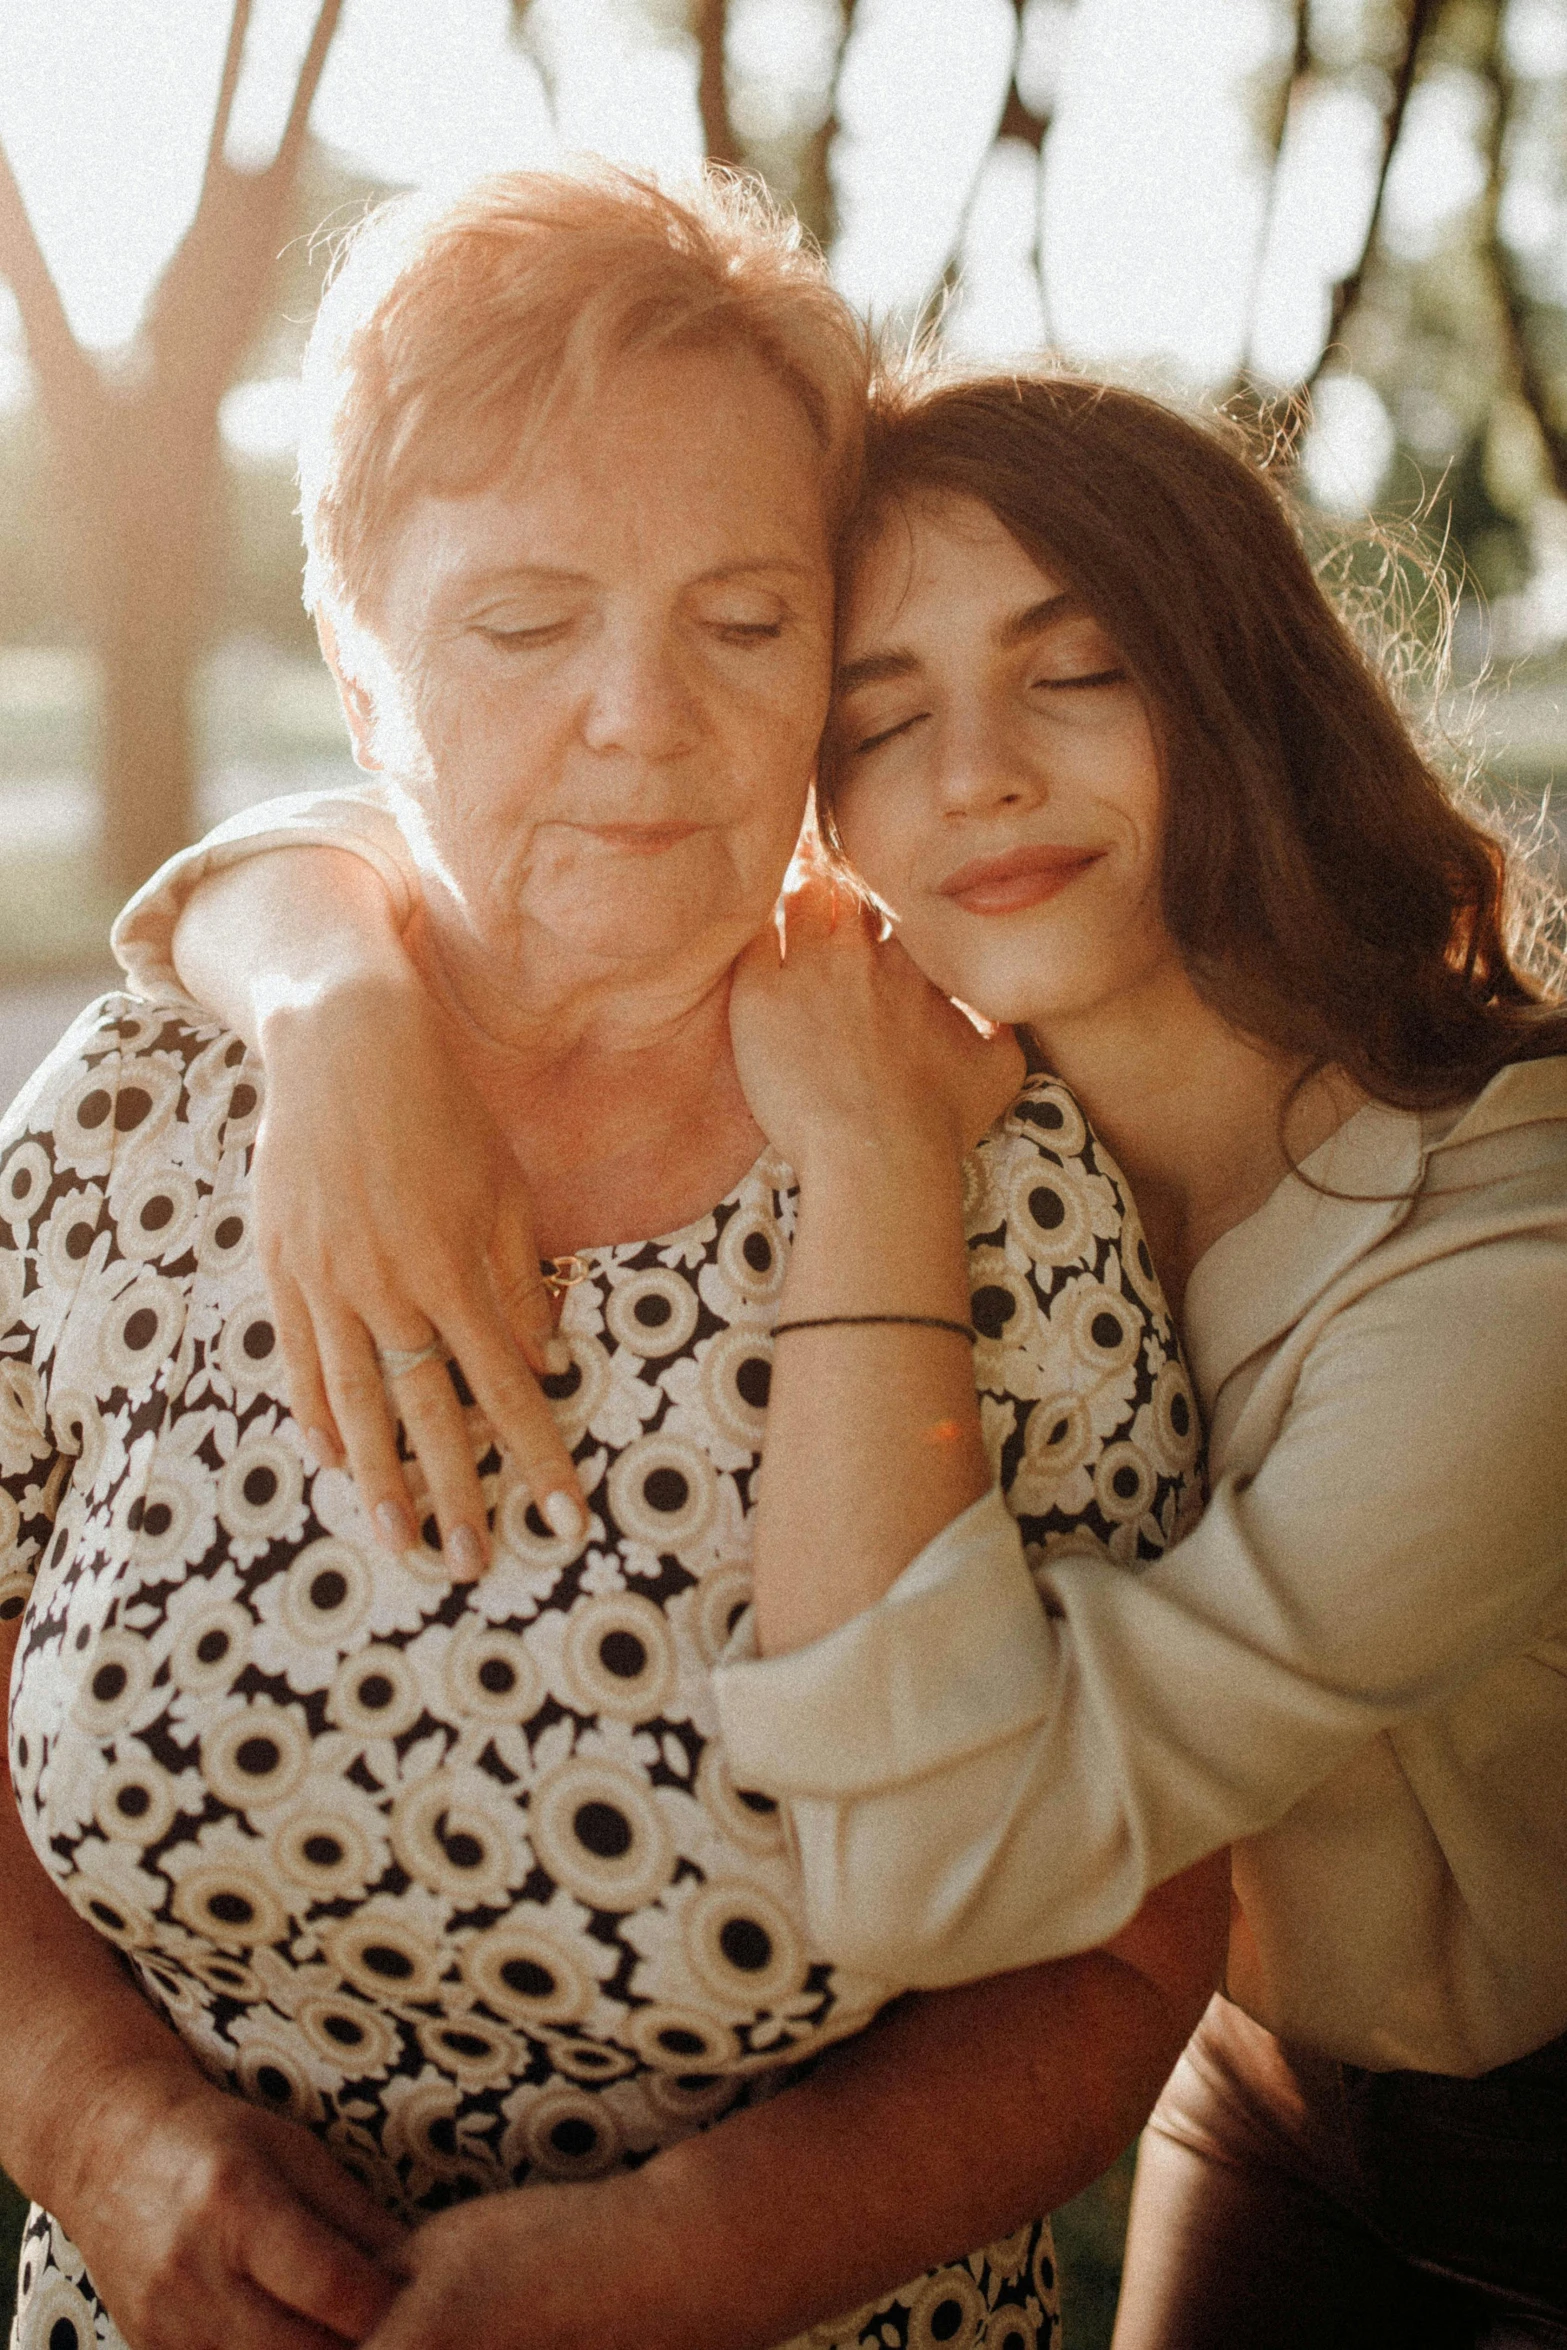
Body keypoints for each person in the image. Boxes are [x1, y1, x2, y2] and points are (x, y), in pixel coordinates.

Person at [125, 366, 1567, 2348]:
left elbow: (933, 1871)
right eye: (878, 713)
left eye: (1073, 673)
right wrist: (331, 994)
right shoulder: (980, 1061)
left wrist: (878, 1162)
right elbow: (451, 802)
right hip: (1265, 2091)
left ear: (1242, 688)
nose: (967, 770)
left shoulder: (1508, 1279)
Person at [0, 171, 1225, 2350]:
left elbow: (1130, 1945)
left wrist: (699, 2258)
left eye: (743, 621)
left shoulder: (992, 1170)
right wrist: (90, 2117)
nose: (645, 715)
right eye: (525, 620)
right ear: (362, 664)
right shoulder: (138, 1114)